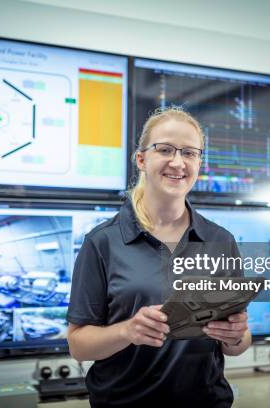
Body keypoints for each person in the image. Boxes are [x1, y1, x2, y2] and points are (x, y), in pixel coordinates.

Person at [67, 107, 251, 407]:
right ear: (142, 159)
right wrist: (127, 330)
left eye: (189, 153)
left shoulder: (221, 241)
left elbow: (238, 344)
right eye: (165, 149)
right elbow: (78, 345)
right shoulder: (103, 242)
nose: (178, 162)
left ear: (199, 162)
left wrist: (235, 335)